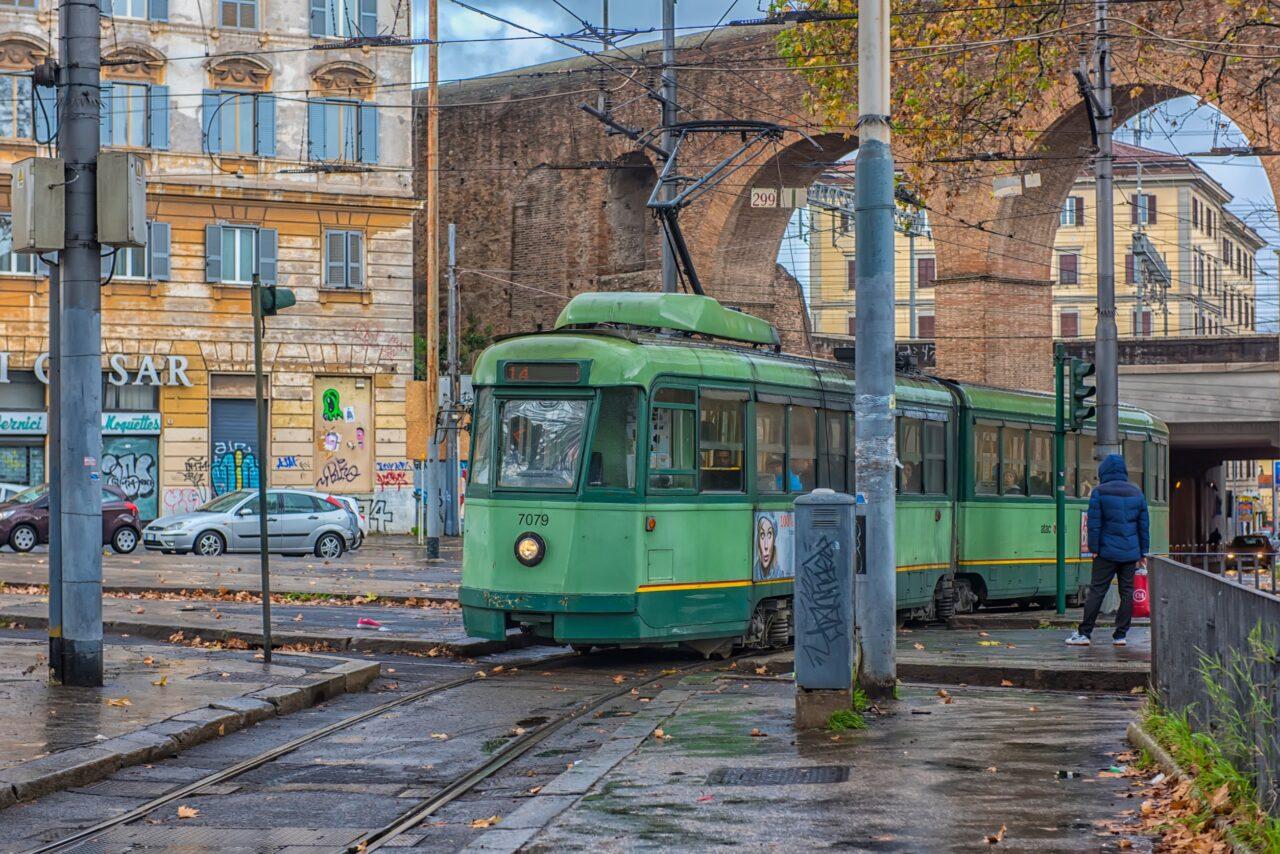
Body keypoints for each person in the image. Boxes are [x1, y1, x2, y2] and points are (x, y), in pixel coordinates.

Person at [1067, 453, 1150, 647]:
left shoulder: (1099, 492)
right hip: (1130, 552)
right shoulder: (1136, 493)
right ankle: (1121, 635)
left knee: (1097, 591)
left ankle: (1085, 633)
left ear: (1103, 472)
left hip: (1105, 552)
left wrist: (1093, 548)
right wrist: (1142, 552)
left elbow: (1094, 524)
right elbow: (1143, 525)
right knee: (1127, 592)